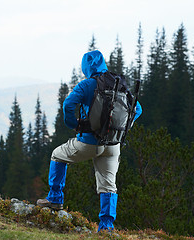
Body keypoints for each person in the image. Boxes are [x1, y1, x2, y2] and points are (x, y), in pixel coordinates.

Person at [37, 50, 142, 232]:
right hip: (113, 145)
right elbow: (137, 109)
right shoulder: (119, 85)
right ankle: (107, 227)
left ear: (86, 66)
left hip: (89, 142)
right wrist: (121, 128)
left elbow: (68, 104)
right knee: (109, 185)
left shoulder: (87, 85)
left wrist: (74, 124)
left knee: (58, 156)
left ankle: (55, 198)